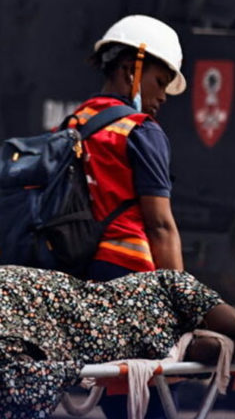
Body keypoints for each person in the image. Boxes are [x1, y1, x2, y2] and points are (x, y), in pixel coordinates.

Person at [0, 266, 235, 419]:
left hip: (21, 290)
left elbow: (217, 347)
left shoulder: (154, 299)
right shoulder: (177, 284)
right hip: (29, 300)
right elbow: (234, 324)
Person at [77, 15, 187, 282]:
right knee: (233, 324)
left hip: (73, 271)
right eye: (160, 82)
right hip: (127, 274)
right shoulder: (141, 130)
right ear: (130, 70)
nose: (162, 96)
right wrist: (181, 302)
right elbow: (160, 226)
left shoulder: (75, 122)